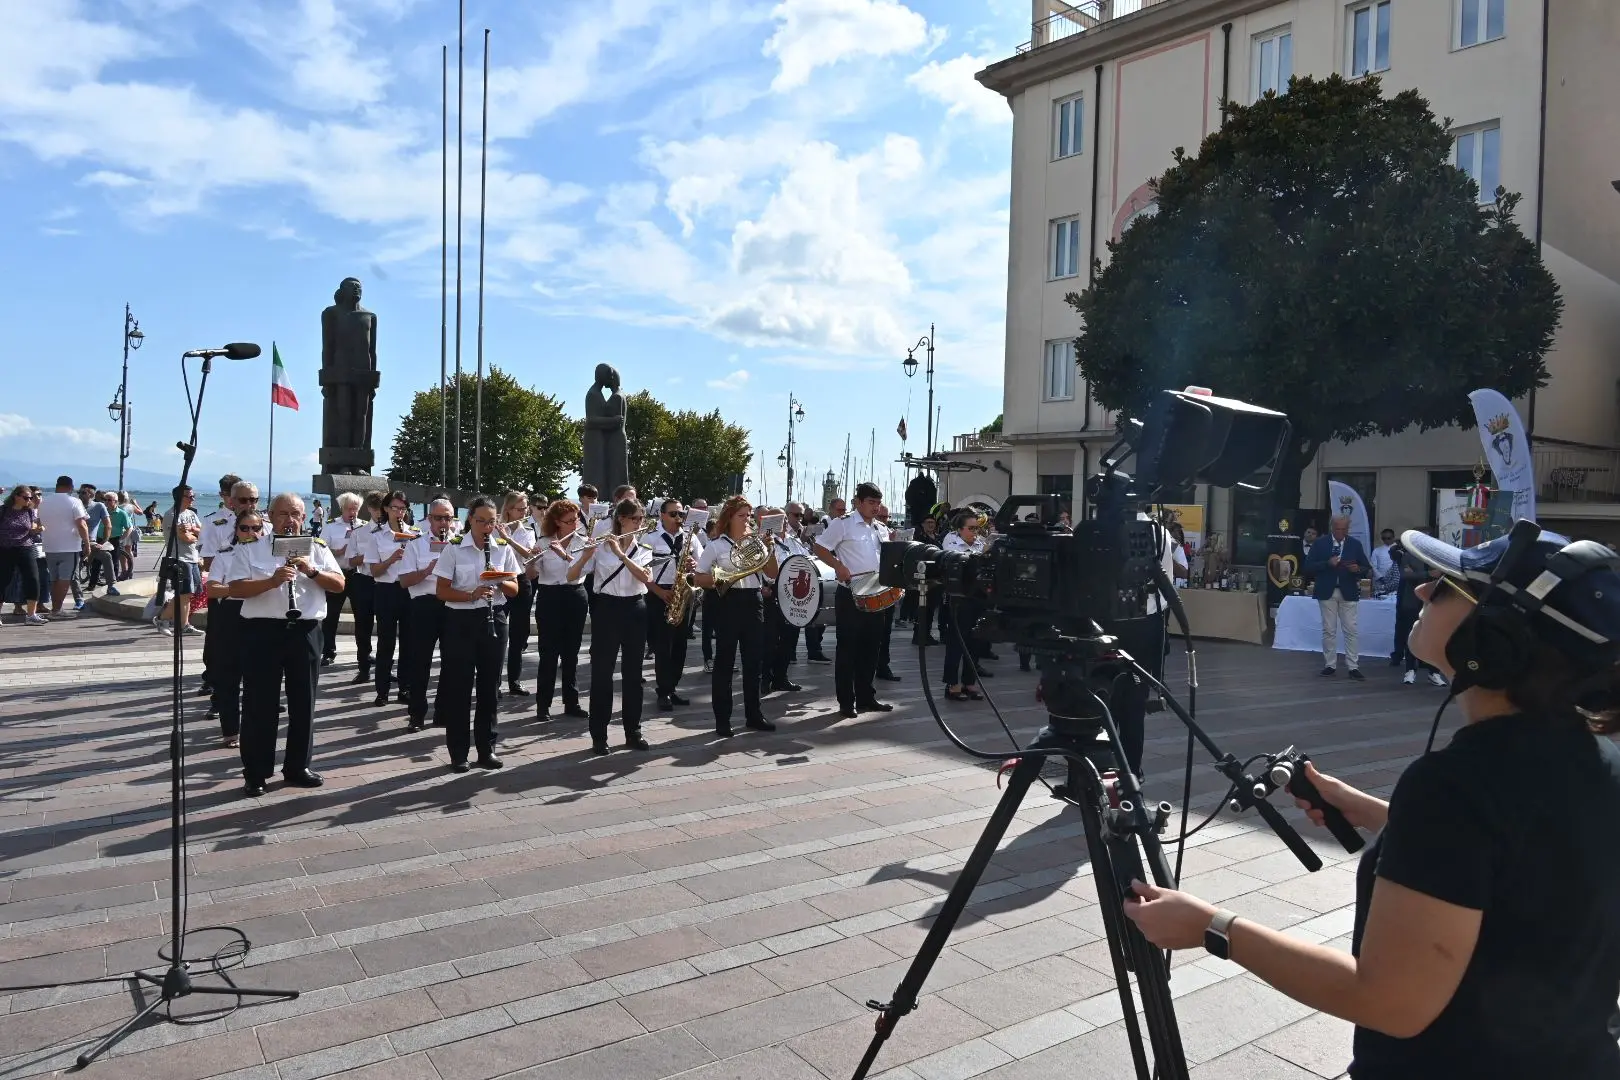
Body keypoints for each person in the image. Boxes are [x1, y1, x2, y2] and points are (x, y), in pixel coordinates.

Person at [1125, 522, 1620, 1079]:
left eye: (1448, 586)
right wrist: (1379, 813)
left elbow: (1390, 1001)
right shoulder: (1597, 754)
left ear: (1498, 636)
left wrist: (1212, 927)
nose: (1423, 590)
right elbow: (1523, 857)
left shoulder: (1455, 785)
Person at [217, 494, 344, 797]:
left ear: (304, 517)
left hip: (306, 630)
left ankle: (298, 766)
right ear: (271, 516)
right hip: (262, 631)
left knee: (304, 702)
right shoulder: (251, 548)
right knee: (260, 704)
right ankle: (256, 772)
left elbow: (339, 585)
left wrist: (311, 571)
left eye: (296, 514)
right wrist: (272, 582)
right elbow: (235, 588)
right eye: (284, 513)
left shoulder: (317, 547)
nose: (290, 520)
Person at [433, 496, 520, 771]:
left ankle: (487, 748)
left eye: (491, 522)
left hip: (494, 617)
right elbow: (441, 591)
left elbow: (515, 589)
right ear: (470, 519)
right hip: (461, 620)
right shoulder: (454, 548)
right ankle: (458, 752)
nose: (487, 527)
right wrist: (471, 594)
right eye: (481, 521)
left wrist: (500, 579)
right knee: (459, 686)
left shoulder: (502, 547)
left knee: (490, 686)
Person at [570, 497, 660, 754]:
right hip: (607, 608)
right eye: (635, 519)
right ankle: (599, 735)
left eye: (642, 519)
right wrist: (585, 555)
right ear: (621, 519)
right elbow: (572, 575)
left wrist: (621, 554)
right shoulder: (600, 546)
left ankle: (633, 731)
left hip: (635, 608)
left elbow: (644, 576)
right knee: (602, 674)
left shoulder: (643, 547)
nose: (640, 523)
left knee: (633, 675)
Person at [694, 495, 779, 738]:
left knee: (754, 662)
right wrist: (722, 578)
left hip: (753, 601)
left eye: (749, 516)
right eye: (742, 516)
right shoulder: (716, 546)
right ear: (729, 517)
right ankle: (723, 719)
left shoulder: (757, 543)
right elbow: (698, 577)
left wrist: (770, 549)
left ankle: (754, 714)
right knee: (724, 662)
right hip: (727, 603)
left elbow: (772, 574)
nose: (747, 520)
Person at [814, 482, 894, 718]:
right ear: (858, 502)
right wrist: (838, 566)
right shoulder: (843, 524)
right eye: (871, 502)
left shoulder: (880, 528)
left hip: (877, 594)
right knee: (848, 649)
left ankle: (866, 697)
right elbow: (820, 548)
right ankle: (846, 702)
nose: (875, 507)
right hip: (851, 594)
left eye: (878, 503)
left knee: (872, 648)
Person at [203, 506, 269, 748]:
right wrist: (238, 589)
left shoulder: (271, 554)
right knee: (228, 676)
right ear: (236, 530)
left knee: (258, 678)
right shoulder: (225, 554)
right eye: (245, 528)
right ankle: (230, 730)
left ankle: (254, 728)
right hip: (231, 615)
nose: (251, 532)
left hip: (262, 615)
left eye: (256, 528)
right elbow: (212, 588)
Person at [201, 481, 260, 711]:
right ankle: (219, 695)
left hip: (257, 599)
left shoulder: (264, 524)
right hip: (227, 596)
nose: (249, 504)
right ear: (232, 500)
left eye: (254, 500)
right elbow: (209, 562)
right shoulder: (215, 522)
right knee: (220, 650)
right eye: (244, 500)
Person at [399, 498, 456, 731]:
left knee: (451, 661)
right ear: (430, 518)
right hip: (424, 605)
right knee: (420, 661)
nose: (443, 523)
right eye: (439, 518)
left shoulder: (459, 544)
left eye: (448, 518)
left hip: (452, 604)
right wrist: (428, 570)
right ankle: (416, 714)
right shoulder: (416, 544)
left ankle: (443, 712)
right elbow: (404, 581)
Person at [532, 499, 590, 723]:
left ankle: (571, 702)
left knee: (571, 652)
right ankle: (543, 704)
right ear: (557, 522)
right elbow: (531, 575)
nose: (575, 524)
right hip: (550, 596)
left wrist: (565, 555)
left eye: (576, 520)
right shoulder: (544, 542)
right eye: (569, 521)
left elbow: (584, 570)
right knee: (548, 653)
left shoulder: (582, 542)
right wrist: (532, 560)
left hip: (575, 594)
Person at [361, 491, 416, 707]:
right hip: (386, 590)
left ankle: (405, 688)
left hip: (409, 590)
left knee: (409, 642)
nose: (399, 513)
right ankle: (382, 691)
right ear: (386, 509)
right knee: (386, 642)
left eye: (403, 508)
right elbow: (374, 571)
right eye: (395, 508)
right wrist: (392, 559)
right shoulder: (377, 535)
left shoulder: (415, 534)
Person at [646, 499, 696, 710]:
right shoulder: (649, 537)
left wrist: (694, 564)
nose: (678, 518)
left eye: (681, 514)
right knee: (663, 646)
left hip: (682, 592)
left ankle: (672, 687)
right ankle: (663, 691)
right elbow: (641, 570)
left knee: (680, 645)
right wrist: (659, 591)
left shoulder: (690, 537)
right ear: (662, 515)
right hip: (659, 593)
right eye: (674, 514)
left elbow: (703, 563)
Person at [1306, 515, 1370, 680]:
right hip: (1327, 590)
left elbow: (1366, 567)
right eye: (1338, 529)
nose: (1341, 532)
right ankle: (1330, 665)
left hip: (1348, 590)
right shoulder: (1320, 543)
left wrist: (1357, 569)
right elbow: (1308, 566)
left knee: (1351, 629)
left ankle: (1353, 667)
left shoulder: (1355, 544)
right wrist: (1327, 563)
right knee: (1329, 629)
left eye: (1344, 529)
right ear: (1332, 528)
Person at [940, 510, 986, 702]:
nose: (975, 532)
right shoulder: (951, 541)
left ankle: (969, 681)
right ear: (959, 529)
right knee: (956, 641)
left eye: (977, 528)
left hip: (978, 596)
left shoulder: (980, 543)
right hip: (958, 597)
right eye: (971, 528)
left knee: (975, 639)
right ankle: (952, 683)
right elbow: (956, 561)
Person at [497, 491, 539, 696]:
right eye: (520, 509)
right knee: (497, 634)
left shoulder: (527, 530)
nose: (524, 513)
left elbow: (529, 555)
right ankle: (494, 682)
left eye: (525, 509)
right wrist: (500, 534)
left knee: (519, 633)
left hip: (521, 580)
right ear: (509, 509)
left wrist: (508, 539)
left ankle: (514, 680)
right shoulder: (495, 527)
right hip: (500, 581)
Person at [318, 492, 363, 668]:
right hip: (337, 573)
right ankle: (328, 651)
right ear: (342, 508)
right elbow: (320, 549)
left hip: (357, 574)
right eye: (349, 509)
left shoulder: (363, 526)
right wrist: (338, 551)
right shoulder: (331, 526)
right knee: (331, 615)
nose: (353, 513)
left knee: (362, 616)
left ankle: (363, 653)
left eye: (356, 509)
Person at [39, 475, 89, 619]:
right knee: (65, 579)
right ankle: (56, 610)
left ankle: (55, 608)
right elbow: (81, 524)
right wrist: (87, 543)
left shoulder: (44, 502)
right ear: (70, 487)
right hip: (69, 546)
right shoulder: (74, 501)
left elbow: (39, 521)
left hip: (49, 545)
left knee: (54, 579)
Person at [157, 485, 203, 636]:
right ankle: (165, 619)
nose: (192, 499)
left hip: (193, 557)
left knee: (188, 594)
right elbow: (186, 538)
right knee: (184, 593)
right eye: (189, 496)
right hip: (179, 558)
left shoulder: (191, 513)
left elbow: (203, 532)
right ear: (178, 497)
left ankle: (182, 624)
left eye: (193, 496)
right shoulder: (171, 515)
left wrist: (193, 531)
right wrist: (194, 534)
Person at [0, 484, 45, 625]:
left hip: (26, 548)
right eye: (26, 498)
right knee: (3, 581)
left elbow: (32, 529)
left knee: (33, 579)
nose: (29, 500)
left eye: (30, 498)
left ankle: (31, 615)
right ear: (16, 496)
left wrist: (38, 529)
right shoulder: (3, 510)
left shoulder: (29, 512)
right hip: (5, 549)